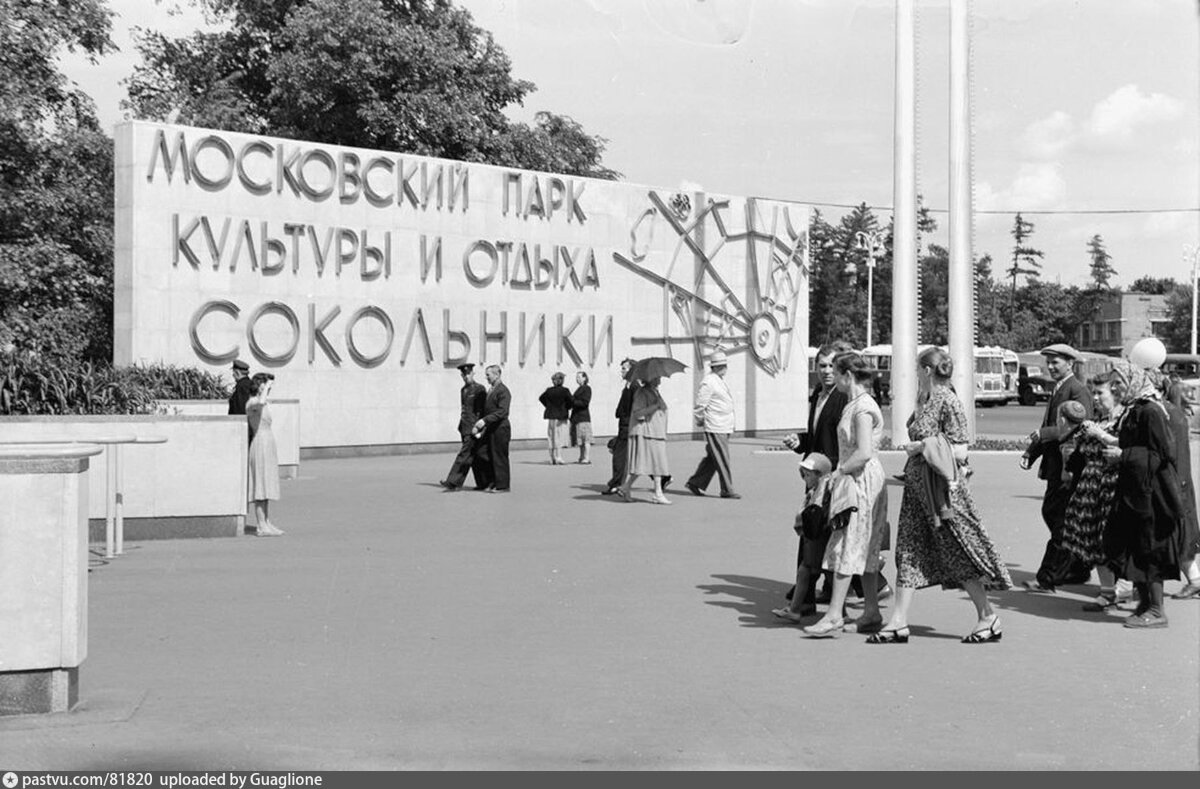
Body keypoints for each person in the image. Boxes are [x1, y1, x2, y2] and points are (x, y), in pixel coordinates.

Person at [868, 348, 1012, 644]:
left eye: (918, 368)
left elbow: (960, 450)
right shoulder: (925, 400)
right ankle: (898, 620)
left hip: (942, 495)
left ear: (927, 370)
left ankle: (988, 615)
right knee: (907, 550)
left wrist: (922, 447)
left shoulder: (948, 400)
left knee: (957, 551)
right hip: (918, 490)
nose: (916, 374)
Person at [783, 340, 891, 607]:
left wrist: (838, 471)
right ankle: (826, 598)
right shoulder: (819, 395)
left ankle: (827, 606)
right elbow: (820, 436)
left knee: (837, 540)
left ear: (846, 374)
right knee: (827, 536)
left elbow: (860, 449)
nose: (827, 371)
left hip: (840, 476)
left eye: (832, 366)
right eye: (821, 365)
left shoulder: (851, 400)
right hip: (824, 473)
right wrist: (801, 443)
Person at [1102, 360, 1183, 628]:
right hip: (1134, 492)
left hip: (1152, 495)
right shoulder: (1134, 409)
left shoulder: (1150, 411)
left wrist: (1123, 456)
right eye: (1112, 384)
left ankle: (1158, 611)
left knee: (1150, 551)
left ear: (1133, 382)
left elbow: (1162, 454)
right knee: (1135, 548)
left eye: (1119, 383)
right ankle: (1144, 605)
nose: (1114, 388)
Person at [1020, 343, 1094, 593]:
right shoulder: (1060, 388)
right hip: (1056, 465)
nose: (1050, 367)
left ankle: (1048, 578)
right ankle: (1078, 568)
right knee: (1057, 517)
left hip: (1068, 466)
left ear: (1069, 364)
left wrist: (1042, 434)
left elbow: (1080, 425)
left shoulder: (1077, 390)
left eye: (1056, 363)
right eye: (1048, 363)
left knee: (1057, 517)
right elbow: (1052, 427)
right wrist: (1032, 454)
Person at [1061, 372, 1134, 612]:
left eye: (1099, 392)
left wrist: (1099, 435)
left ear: (1115, 393)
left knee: (1112, 539)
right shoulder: (1098, 419)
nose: (1095, 397)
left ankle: (1125, 588)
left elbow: (1127, 446)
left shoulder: (1126, 417)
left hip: (1112, 484)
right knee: (1092, 540)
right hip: (1089, 485)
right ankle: (1107, 591)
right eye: (1093, 392)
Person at [772, 452, 833, 623]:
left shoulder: (824, 488)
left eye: (807, 475)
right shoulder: (817, 488)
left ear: (819, 474)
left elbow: (816, 512)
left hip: (819, 539)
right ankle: (795, 609)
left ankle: (838, 613)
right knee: (807, 571)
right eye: (803, 475)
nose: (804, 479)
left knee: (824, 573)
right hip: (814, 539)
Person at [685, 350, 740, 499]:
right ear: (714, 367)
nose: (724, 367)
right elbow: (700, 404)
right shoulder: (709, 382)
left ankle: (695, 483)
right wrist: (700, 419)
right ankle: (727, 489)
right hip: (716, 425)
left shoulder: (718, 380)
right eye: (720, 365)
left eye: (724, 364)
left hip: (723, 424)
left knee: (713, 457)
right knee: (722, 457)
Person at [620, 374, 671, 505]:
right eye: (657, 376)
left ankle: (626, 487)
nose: (660, 378)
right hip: (648, 433)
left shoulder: (655, 391)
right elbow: (638, 413)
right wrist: (655, 406)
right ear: (650, 378)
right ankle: (657, 494)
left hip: (655, 432)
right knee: (653, 464)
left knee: (649, 464)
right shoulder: (642, 392)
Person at [440, 363, 488, 491]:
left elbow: (482, 410)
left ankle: (452, 481)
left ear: (473, 373)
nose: (466, 376)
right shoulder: (463, 390)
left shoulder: (480, 389)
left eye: (468, 374)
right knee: (474, 456)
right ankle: (483, 483)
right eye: (464, 375)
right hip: (464, 427)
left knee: (464, 454)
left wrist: (479, 427)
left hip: (474, 427)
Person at [246, 372, 283, 536]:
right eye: (265, 384)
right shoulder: (252, 402)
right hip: (260, 442)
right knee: (260, 484)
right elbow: (260, 402)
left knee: (267, 483)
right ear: (259, 385)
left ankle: (267, 521)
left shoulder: (263, 402)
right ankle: (261, 524)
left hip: (268, 443)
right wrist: (266, 386)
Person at [474, 365, 512, 493]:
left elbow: (502, 411)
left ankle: (503, 485)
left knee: (499, 457)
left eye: (488, 375)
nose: (486, 378)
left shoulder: (503, 391)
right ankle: (491, 481)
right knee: (483, 453)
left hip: (500, 428)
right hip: (491, 428)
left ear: (497, 375)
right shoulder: (492, 390)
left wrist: (484, 420)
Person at [602, 359, 637, 495]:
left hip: (628, 426)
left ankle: (616, 484)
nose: (621, 371)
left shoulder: (634, 386)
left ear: (631, 370)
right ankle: (663, 478)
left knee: (619, 456)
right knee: (639, 456)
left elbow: (634, 406)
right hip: (625, 425)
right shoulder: (629, 386)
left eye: (624, 368)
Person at [538, 372, 572, 465]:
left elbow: (541, 398)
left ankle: (552, 457)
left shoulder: (549, 390)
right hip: (561, 416)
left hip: (551, 415)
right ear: (561, 380)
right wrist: (566, 408)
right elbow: (571, 402)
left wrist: (548, 406)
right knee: (559, 437)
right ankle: (558, 457)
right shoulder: (565, 390)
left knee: (551, 437)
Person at [571, 372, 593, 465]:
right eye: (576, 377)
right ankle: (581, 456)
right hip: (577, 417)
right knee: (580, 439)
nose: (577, 379)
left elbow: (585, 403)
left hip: (583, 417)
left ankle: (587, 457)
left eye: (579, 377)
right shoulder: (579, 389)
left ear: (584, 378)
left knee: (586, 439)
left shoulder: (586, 388)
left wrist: (573, 401)